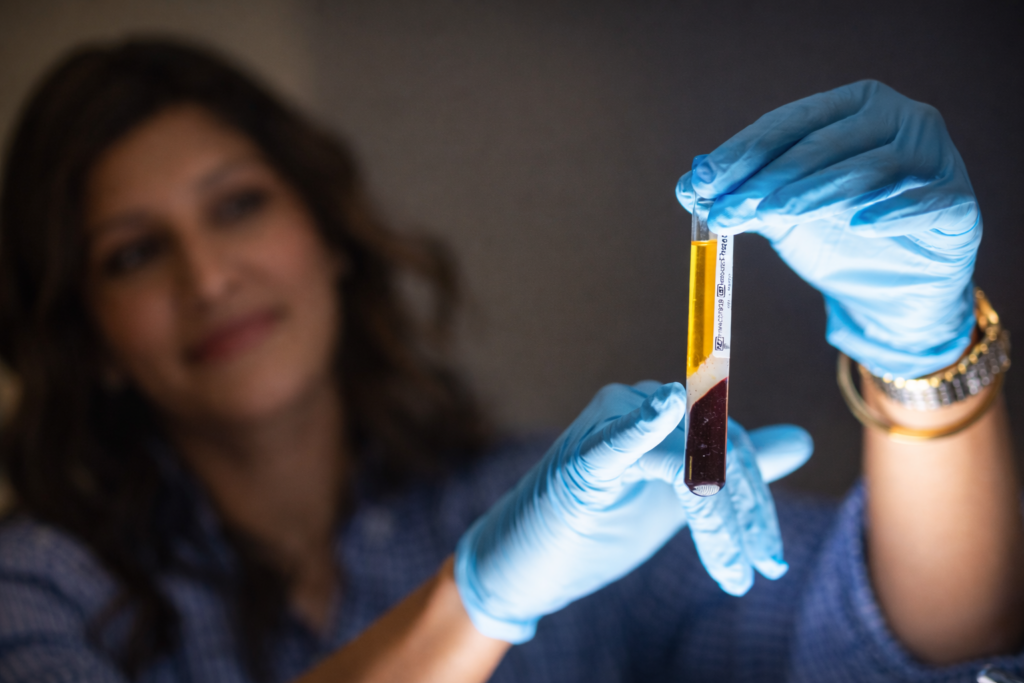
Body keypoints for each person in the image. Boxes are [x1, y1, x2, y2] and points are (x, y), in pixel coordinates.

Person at [0, 38, 1020, 683]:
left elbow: (912, 648)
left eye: (238, 204)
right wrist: (477, 599)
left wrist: (920, 357)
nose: (209, 275)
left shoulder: (559, 498)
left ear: (330, 236)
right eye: (133, 252)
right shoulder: (38, 586)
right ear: (83, 333)